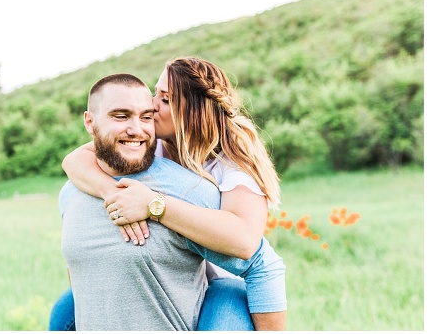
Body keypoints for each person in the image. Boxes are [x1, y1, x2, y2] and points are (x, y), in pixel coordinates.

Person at [58, 73, 286, 330]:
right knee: (62, 315)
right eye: (122, 115)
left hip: (220, 279)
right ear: (89, 122)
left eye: (164, 100)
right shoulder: (142, 150)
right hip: (173, 279)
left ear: (192, 116)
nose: (153, 106)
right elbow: (73, 159)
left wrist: (155, 205)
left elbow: (249, 247)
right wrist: (112, 192)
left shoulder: (226, 168)